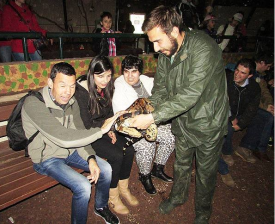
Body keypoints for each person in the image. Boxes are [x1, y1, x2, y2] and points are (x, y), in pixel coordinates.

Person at [130, 6, 229, 223]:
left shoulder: (204, 48)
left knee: (205, 172)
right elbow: (161, 89)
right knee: (181, 164)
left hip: (208, 122)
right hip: (183, 120)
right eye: (152, 42)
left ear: (174, 31)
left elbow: (190, 94)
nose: (155, 48)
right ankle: (178, 196)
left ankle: (203, 212)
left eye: (157, 41)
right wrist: (143, 107)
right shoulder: (167, 52)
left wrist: (152, 118)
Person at [21, 62, 121, 224]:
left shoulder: (71, 102)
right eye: (62, 85)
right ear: (50, 83)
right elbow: (64, 138)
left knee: (106, 169)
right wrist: (101, 130)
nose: (68, 92)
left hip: (70, 151)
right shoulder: (34, 104)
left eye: (72, 86)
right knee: (83, 186)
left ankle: (101, 206)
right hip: (47, 158)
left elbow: (78, 132)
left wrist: (90, 158)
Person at [75, 55, 138, 215]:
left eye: (108, 76)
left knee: (128, 149)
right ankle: (113, 195)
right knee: (116, 155)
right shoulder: (81, 92)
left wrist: (110, 130)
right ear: (91, 73)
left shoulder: (107, 88)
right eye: (100, 76)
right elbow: (87, 124)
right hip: (88, 135)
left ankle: (123, 189)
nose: (105, 80)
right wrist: (107, 126)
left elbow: (109, 112)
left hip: (103, 130)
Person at [112, 55, 175, 195]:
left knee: (172, 135)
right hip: (132, 127)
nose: (129, 76)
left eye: (133, 71)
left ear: (140, 72)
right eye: (126, 71)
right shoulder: (120, 86)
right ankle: (144, 175)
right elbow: (121, 116)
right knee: (148, 144)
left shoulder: (148, 81)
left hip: (153, 121)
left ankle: (157, 169)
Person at [219, 59, 261, 187]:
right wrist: (232, 119)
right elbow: (222, 102)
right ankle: (226, 152)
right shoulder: (226, 80)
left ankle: (245, 146)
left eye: (242, 73)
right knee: (229, 128)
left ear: (250, 76)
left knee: (262, 117)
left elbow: (252, 108)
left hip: (241, 113)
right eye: (236, 70)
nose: (237, 74)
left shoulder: (254, 87)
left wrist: (241, 123)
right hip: (225, 113)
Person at [237, 53, 274, 161]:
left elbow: (265, 92)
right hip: (245, 105)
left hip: (254, 105)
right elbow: (246, 96)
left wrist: (269, 105)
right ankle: (254, 147)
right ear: (262, 62)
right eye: (268, 66)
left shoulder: (260, 76)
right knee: (265, 116)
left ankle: (260, 147)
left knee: (269, 115)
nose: (269, 69)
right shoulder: (248, 71)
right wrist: (264, 107)